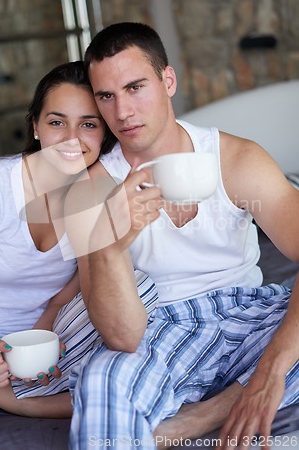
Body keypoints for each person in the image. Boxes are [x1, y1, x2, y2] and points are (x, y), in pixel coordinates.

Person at [65, 23, 299, 449]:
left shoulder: (236, 159)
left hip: (250, 315)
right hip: (160, 328)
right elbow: (122, 336)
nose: (122, 112)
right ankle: (226, 400)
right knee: (101, 379)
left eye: (135, 87)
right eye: (107, 96)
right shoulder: (90, 191)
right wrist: (112, 243)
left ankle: (200, 416)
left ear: (167, 81)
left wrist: (271, 371)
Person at [0, 60, 158, 419]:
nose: (72, 139)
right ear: (36, 126)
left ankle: (11, 393)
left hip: (52, 339)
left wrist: (45, 336)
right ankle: (11, 398)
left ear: (104, 134)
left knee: (139, 288)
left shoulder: (99, 191)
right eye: (57, 122)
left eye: (88, 124)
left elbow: (80, 288)